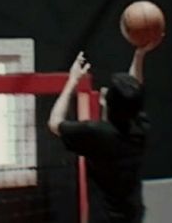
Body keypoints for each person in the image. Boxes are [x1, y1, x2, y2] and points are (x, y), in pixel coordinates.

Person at [48, 41, 162, 223]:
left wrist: (72, 80)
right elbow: (134, 90)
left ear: (104, 101)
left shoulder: (97, 133)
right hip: (133, 217)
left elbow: (54, 123)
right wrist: (139, 55)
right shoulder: (140, 129)